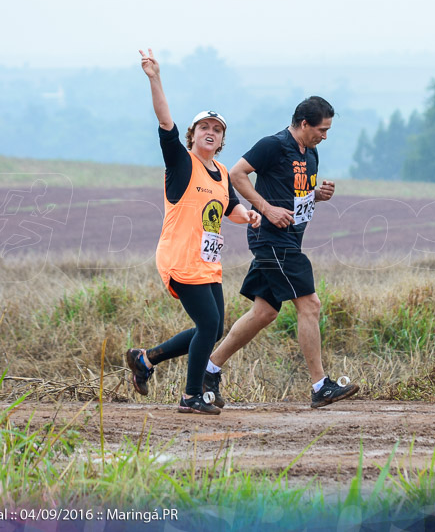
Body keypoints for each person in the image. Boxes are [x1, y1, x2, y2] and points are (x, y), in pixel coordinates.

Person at [201, 96, 360, 409]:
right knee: (310, 305)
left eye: (328, 130)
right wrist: (266, 208)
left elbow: (296, 195)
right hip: (271, 239)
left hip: (289, 239)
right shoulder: (273, 145)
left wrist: (317, 195)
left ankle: (208, 370)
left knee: (265, 312)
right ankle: (319, 385)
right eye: (321, 129)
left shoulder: (311, 153)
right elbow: (236, 174)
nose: (325, 136)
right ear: (303, 124)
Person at [125, 48, 261, 415]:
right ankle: (190, 396)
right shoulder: (182, 163)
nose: (211, 133)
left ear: (221, 139)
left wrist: (247, 215)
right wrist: (155, 78)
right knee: (209, 323)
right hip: (179, 258)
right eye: (205, 128)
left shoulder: (219, 172)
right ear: (193, 134)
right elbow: (165, 121)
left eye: (217, 130)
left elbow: (229, 208)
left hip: (206, 262)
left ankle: (145, 359)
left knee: (213, 330)